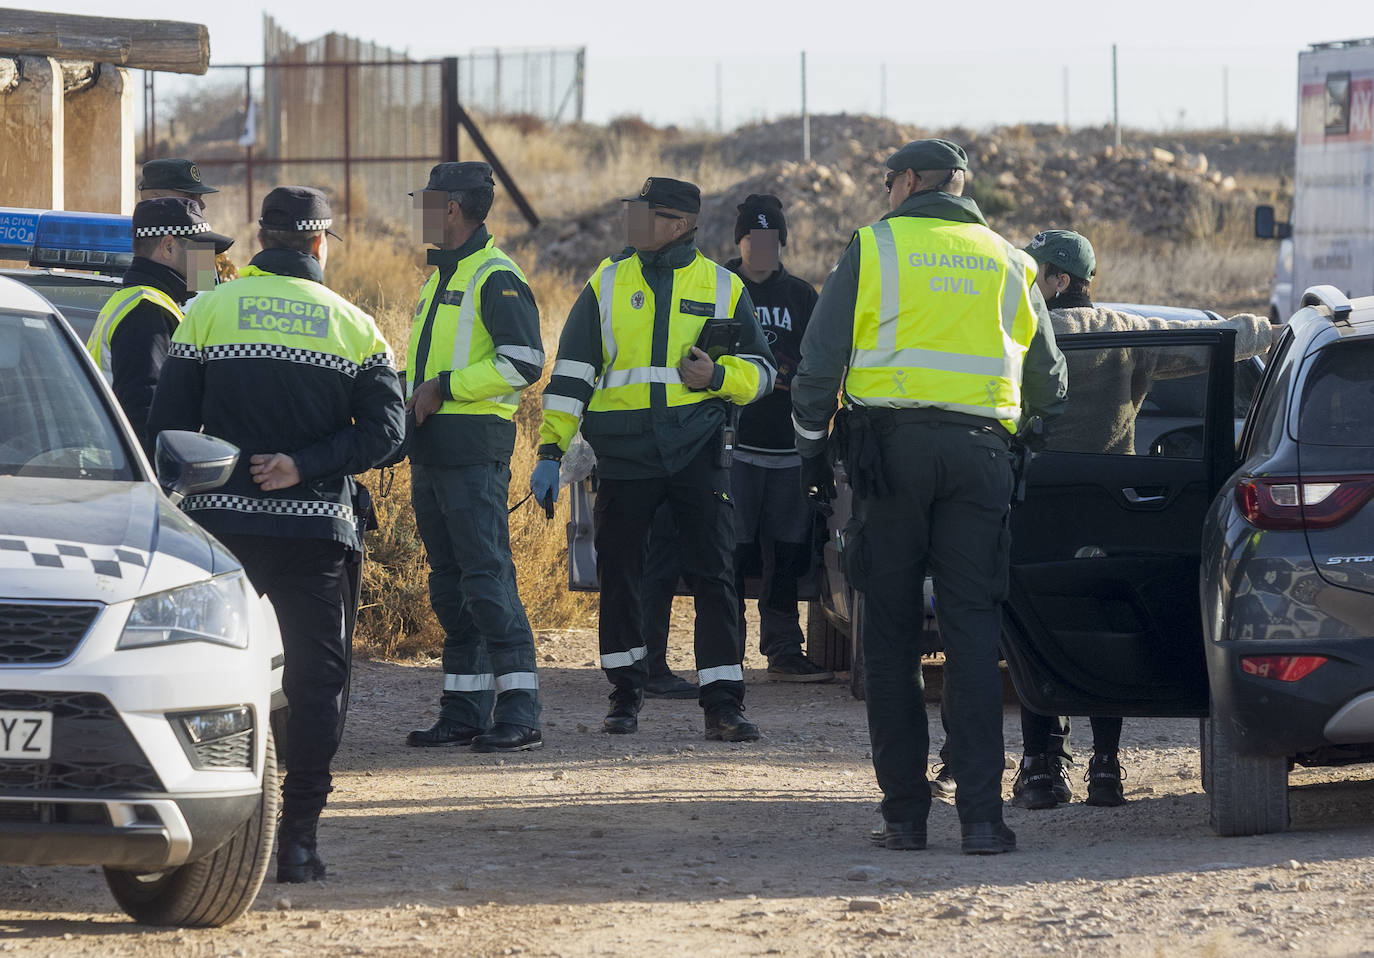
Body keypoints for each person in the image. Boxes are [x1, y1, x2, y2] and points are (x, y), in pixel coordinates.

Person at [791, 139, 1068, 855]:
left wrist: (812, 451)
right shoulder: (1010, 259)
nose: (887, 192)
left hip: (891, 459)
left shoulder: (875, 248)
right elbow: (1051, 383)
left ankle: (905, 816)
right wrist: (1019, 433)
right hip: (981, 460)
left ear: (910, 182)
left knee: (889, 637)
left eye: (889, 181)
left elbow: (819, 366)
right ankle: (982, 819)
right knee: (975, 637)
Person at [148, 186, 406, 882]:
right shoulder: (356, 326)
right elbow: (389, 430)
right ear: (320, 245)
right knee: (318, 684)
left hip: (218, 535)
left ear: (262, 238)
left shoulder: (206, 312)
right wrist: (305, 465)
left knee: (200, 670)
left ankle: (198, 836)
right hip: (314, 534)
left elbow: (166, 427)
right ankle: (297, 840)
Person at [1011, 228, 1273, 809]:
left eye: (1034, 276)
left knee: (1034, 630)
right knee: (1110, 624)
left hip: (1042, 500)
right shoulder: (1128, 331)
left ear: (1057, 281)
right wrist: (1283, 330)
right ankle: (1106, 767)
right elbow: (1220, 339)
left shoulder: (1021, 331)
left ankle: (1041, 768)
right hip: (1116, 499)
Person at [532, 176, 776, 741]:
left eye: (649, 215)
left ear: (681, 224)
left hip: (697, 452)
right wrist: (550, 449)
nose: (635, 223)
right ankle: (625, 694)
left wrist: (716, 376)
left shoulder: (723, 286)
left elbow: (763, 374)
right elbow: (572, 373)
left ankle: (723, 704)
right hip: (625, 455)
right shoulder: (607, 281)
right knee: (622, 575)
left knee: (716, 576)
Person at [639, 194, 833, 688]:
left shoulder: (802, 296)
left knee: (788, 553)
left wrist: (787, 377)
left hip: (788, 448)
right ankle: (727, 653)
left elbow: (816, 363)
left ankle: (785, 649)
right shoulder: (719, 287)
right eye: (751, 238)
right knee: (730, 553)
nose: (761, 247)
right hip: (732, 447)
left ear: (782, 243)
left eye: (770, 239)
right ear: (739, 241)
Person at [399, 162, 546, 753]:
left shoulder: (496, 275)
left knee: (487, 582)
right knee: (450, 586)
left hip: (472, 455)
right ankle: (463, 710)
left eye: (428, 202)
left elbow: (525, 362)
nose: (422, 212)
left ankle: (520, 713)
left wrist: (445, 387)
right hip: (431, 455)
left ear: (452, 208)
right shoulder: (438, 278)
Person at [86, 197, 232, 455]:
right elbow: (145, 410)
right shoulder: (147, 310)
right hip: (135, 471)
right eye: (201, 248)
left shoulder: (141, 299)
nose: (207, 260)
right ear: (168, 246)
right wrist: (158, 478)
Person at [138, 157, 237, 283]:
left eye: (199, 197)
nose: (201, 204)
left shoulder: (198, 243)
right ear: (155, 198)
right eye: (189, 196)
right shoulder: (121, 241)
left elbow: (203, 296)